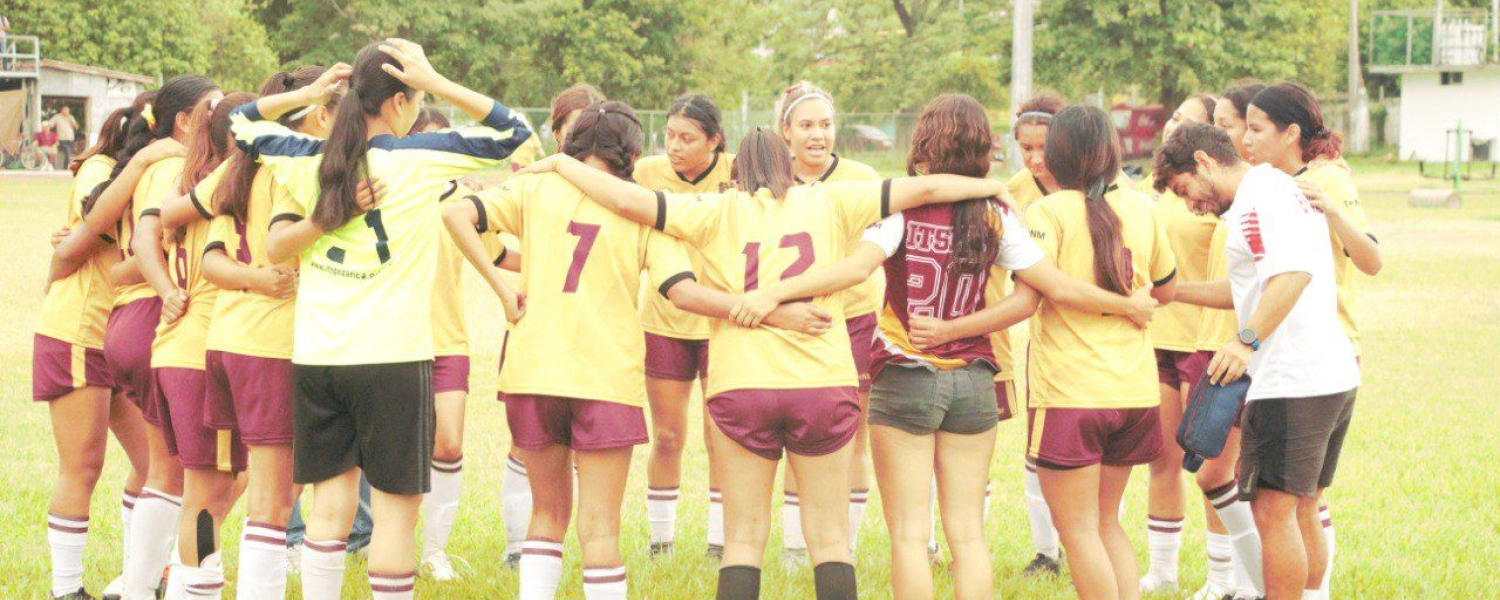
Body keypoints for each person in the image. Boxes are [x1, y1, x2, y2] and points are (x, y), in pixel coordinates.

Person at [522, 126, 1019, 600]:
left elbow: (625, 199)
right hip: (822, 384)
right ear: (790, 167)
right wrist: (992, 185)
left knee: (742, 541)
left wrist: (562, 163)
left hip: (742, 384)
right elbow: (927, 188)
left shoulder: (714, 209)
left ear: (736, 173)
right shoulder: (831, 199)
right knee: (830, 540)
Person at [725, 93, 1158, 600]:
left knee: (910, 535)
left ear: (926, 140)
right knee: (968, 534)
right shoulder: (997, 212)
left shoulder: (903, 209)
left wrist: (777, 291)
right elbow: (1033, 295)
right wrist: (962, 328)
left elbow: (855, 269)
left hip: (905, 375)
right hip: (974, 380)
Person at [447, 100, 784, 600]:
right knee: (600, 530)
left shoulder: (534, 187)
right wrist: (762, 309)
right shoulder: (639, 207)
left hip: (532, 371)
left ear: (572, 142)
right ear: (631, 153)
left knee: (547, 515)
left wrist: (501, 288)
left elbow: (456, 214)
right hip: (604, 377)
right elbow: (682, 292)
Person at [231, 40, 531, 599]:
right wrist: (436, 81)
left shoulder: (307, 158)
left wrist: (308, 93)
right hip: (393, 358)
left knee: (328, 507)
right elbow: (514, 132)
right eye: (415, 98)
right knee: (395, 515)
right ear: (398, 102)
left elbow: (240, 120)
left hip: (319, 357)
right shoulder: (420, 158)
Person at [1153, 122, 1360, 600]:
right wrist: (1176, 292)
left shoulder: (1255, 201)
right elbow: (1252, 287)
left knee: (1273, 512)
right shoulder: (1274, 188)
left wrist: (1246, 341)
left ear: (1204, 162)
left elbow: (1292, 276)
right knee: (1302, 508)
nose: (1191, 205)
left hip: (1291, 379)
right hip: (1329, 373)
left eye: (1185, 190)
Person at [1024, 106, 1177, 600]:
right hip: (1134, 391)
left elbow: (1050, 288)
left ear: (1058, 153)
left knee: (1078, 530)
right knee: (1107, 522)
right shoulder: (1143, 208)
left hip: (1071, 393)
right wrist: (1131, 304)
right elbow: (1167, 289)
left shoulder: (1047, 212)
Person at [197, 67, 338, 599]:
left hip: (227, 340)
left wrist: (250, 278)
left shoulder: (244, 172)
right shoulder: (291, 169)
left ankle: (190, 579)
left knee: (220, 491)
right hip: (271, 344)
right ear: (316, 114)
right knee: (273, 502)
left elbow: (212, 262)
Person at [1241, 81, 1377, 600]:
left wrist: (1333, 211)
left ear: (1291, 132)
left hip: (1311, 352)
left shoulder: (1323, 179)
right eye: (1237, 127)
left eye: (1253, 127)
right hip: (1309, 352)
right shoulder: (1272, 183)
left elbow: (1371, 260)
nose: (1243, 139)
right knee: (1302, 504)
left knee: (1286, 505)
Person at [34, 95, 158, 600]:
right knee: (83, 467)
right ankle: (66, 589)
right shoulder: (102, 169)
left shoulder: (151, 172)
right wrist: (71, 246)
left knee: (154, 464)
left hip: (119, 337)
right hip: (79, 333)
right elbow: (92, 222)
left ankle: (135, 578)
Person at [134, 91, 255, 599]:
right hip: (201, 353)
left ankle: (150, 585)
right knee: (206, 498)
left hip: (172, 350)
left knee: (200, 491)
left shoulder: (187, 179)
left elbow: (151, 229)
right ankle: (192, 586)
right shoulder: (228, 182)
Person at [774, 81, 882, 564]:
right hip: (792, 321)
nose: (817, 135)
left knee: (852, 434)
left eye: (825, 124)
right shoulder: (772, 179)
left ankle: (847, 543)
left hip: (853, 319)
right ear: (786, 132)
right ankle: (795, 548)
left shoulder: (861, 177)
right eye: (806, 125)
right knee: (795, 434)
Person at [630, 93, 735, 557]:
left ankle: (719, 541)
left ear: (714, 141)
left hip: (722, 322)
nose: (674, 145)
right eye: (669, 135)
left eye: (687, 138)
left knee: (721, 437)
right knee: (668, 436)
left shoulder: (738, 172)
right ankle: (661, 541)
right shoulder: (646, 173)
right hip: (664, 321)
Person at [1140, 93, 1223, 594]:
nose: (1172, 124)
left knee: (1210, 466)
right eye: (1171, 116)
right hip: (1157, 339)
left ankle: (1221, 576)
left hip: (1203, 340)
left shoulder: (1215, 196)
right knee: (1162, 459)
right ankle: (1162, 571)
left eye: (1184, 120)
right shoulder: (1158, 190)